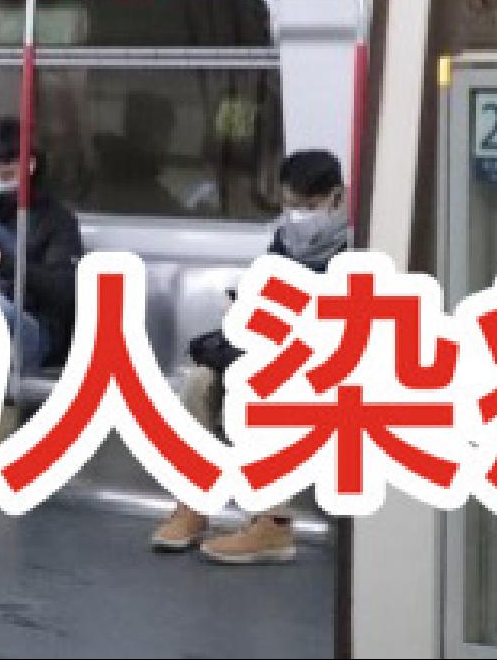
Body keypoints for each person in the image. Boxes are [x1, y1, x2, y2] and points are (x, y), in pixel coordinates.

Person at [150, 149, 351, 564]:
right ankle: (194, 503)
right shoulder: (283, 244)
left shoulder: (360, 249)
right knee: (198, 383)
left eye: (309, 206)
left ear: (337, 199)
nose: (299, 216)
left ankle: (272, 523)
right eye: (291, 205)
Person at [0, 117, 85, 375]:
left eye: (9, 174)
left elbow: (64, 291)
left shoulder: (56, 220)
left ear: (30, 166)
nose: (1, 181)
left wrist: (2, 264)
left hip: (33, 324)